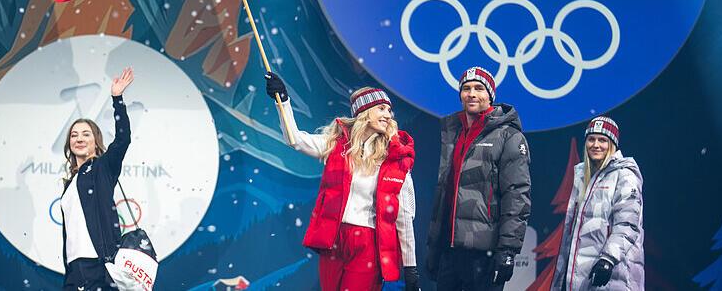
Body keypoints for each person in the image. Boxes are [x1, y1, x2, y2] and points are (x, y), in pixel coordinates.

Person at [265, 72, 419, 291]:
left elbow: (403, 216)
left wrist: (411, 267)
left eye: (390, 111)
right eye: (382, 108)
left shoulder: (395, 158)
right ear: (364, 112)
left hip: (368, 243)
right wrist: (283, 102)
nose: (388, 115)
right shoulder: (338, 146)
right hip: (334, 239)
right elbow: (295, 140)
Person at [426, 66, 531, 290]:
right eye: (466, 88)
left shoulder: (509, 135)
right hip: (450, 249)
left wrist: (508, 251)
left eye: (478, 88)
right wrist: (435, 246)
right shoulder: (452, 131)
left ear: (490, 95)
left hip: (485, 253)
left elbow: (517, 195)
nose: (471, 93)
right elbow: (445, 193)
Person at [60, 67, 135, 291]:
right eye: (74, 135)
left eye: (86, 134)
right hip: (74, 268)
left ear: (96, 141)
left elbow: (123, 139)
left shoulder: (102, 167)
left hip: (98, 264)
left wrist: (117, 99)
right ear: (69, 144)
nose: (79, 139)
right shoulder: (70, 182)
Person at [550, 116, 644, 291]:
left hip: (613, 272)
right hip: (581, 274)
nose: (596, 145)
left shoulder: (625, 175)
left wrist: (608, 259)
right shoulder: (581, 176)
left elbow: (628, 224)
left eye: (603, 140)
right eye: (591, 139)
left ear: (612, 145)